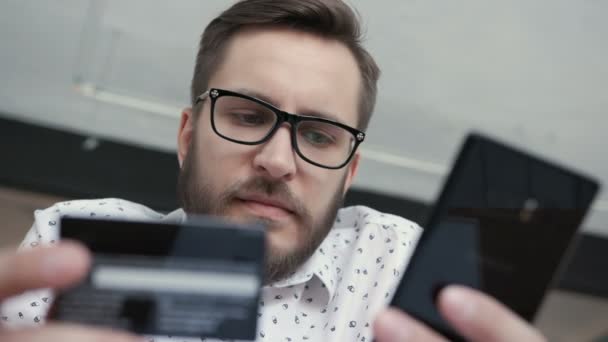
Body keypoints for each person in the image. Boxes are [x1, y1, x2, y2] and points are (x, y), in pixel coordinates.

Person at [0, 0, 547, 341]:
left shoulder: (396, 268)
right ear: (188, 136)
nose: (278, 161)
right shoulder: (71, 245)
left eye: (318, 135)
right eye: (247, 115)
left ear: (349, 171)